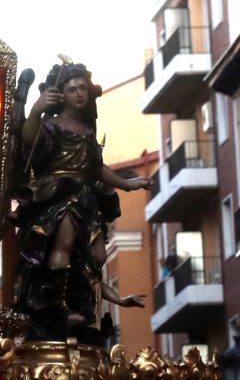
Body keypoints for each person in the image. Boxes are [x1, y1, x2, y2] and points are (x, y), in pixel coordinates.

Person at [13, 60, 152, 341]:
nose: (79, 93)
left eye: (82, 88)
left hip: (87, 196)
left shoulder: (88, 130)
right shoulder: (51, 125)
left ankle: (78, 301)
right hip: (59, 193)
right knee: (64, 243)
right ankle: (57, 305)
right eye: (72, 88)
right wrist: (37, 109)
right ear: (61, 94)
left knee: (97, 256)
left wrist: (127, 184)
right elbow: (29, 140)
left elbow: (96, 167)